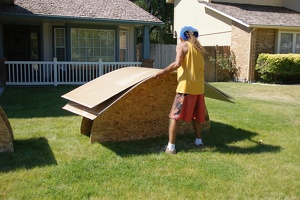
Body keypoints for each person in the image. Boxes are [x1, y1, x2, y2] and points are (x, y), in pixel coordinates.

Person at [155, 26, 206, 154]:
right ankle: (198, 142)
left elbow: (177, 63)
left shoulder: (182, 46)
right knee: (196, 116)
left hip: (185, 88)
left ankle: (170, 148)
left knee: (174, 116)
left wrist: (163, 72)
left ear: (181, 37)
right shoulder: (199, 49)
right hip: (199, 88)